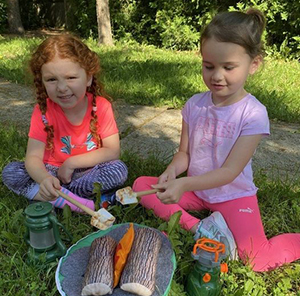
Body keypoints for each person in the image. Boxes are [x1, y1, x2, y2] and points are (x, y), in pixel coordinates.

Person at [133, 9, 300, 272]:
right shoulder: (194, 105)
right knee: (142, 186)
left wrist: (183, 182)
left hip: (233, 196)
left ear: (253, 65)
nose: (217, 76)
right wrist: (172, 171)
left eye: (228, 67)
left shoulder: (253, 113)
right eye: (208, 66)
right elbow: (184, 154)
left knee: (257, 260)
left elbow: (230, 172)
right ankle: (201, 228)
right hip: (197, 193)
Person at [2, 34, 128, 213]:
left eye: (71, 77)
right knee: (11, 172)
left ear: (89, 78)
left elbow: (112, 151)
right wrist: (44, 178)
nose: (62, 87)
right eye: (52, 80)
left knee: (118, 170)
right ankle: (79, 201)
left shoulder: (100, 106)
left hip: (87, 171)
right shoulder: (43, 110)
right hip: (51, 172)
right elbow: (33, 158)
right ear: (42, 82)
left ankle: (54, 197)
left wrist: (71, 163)